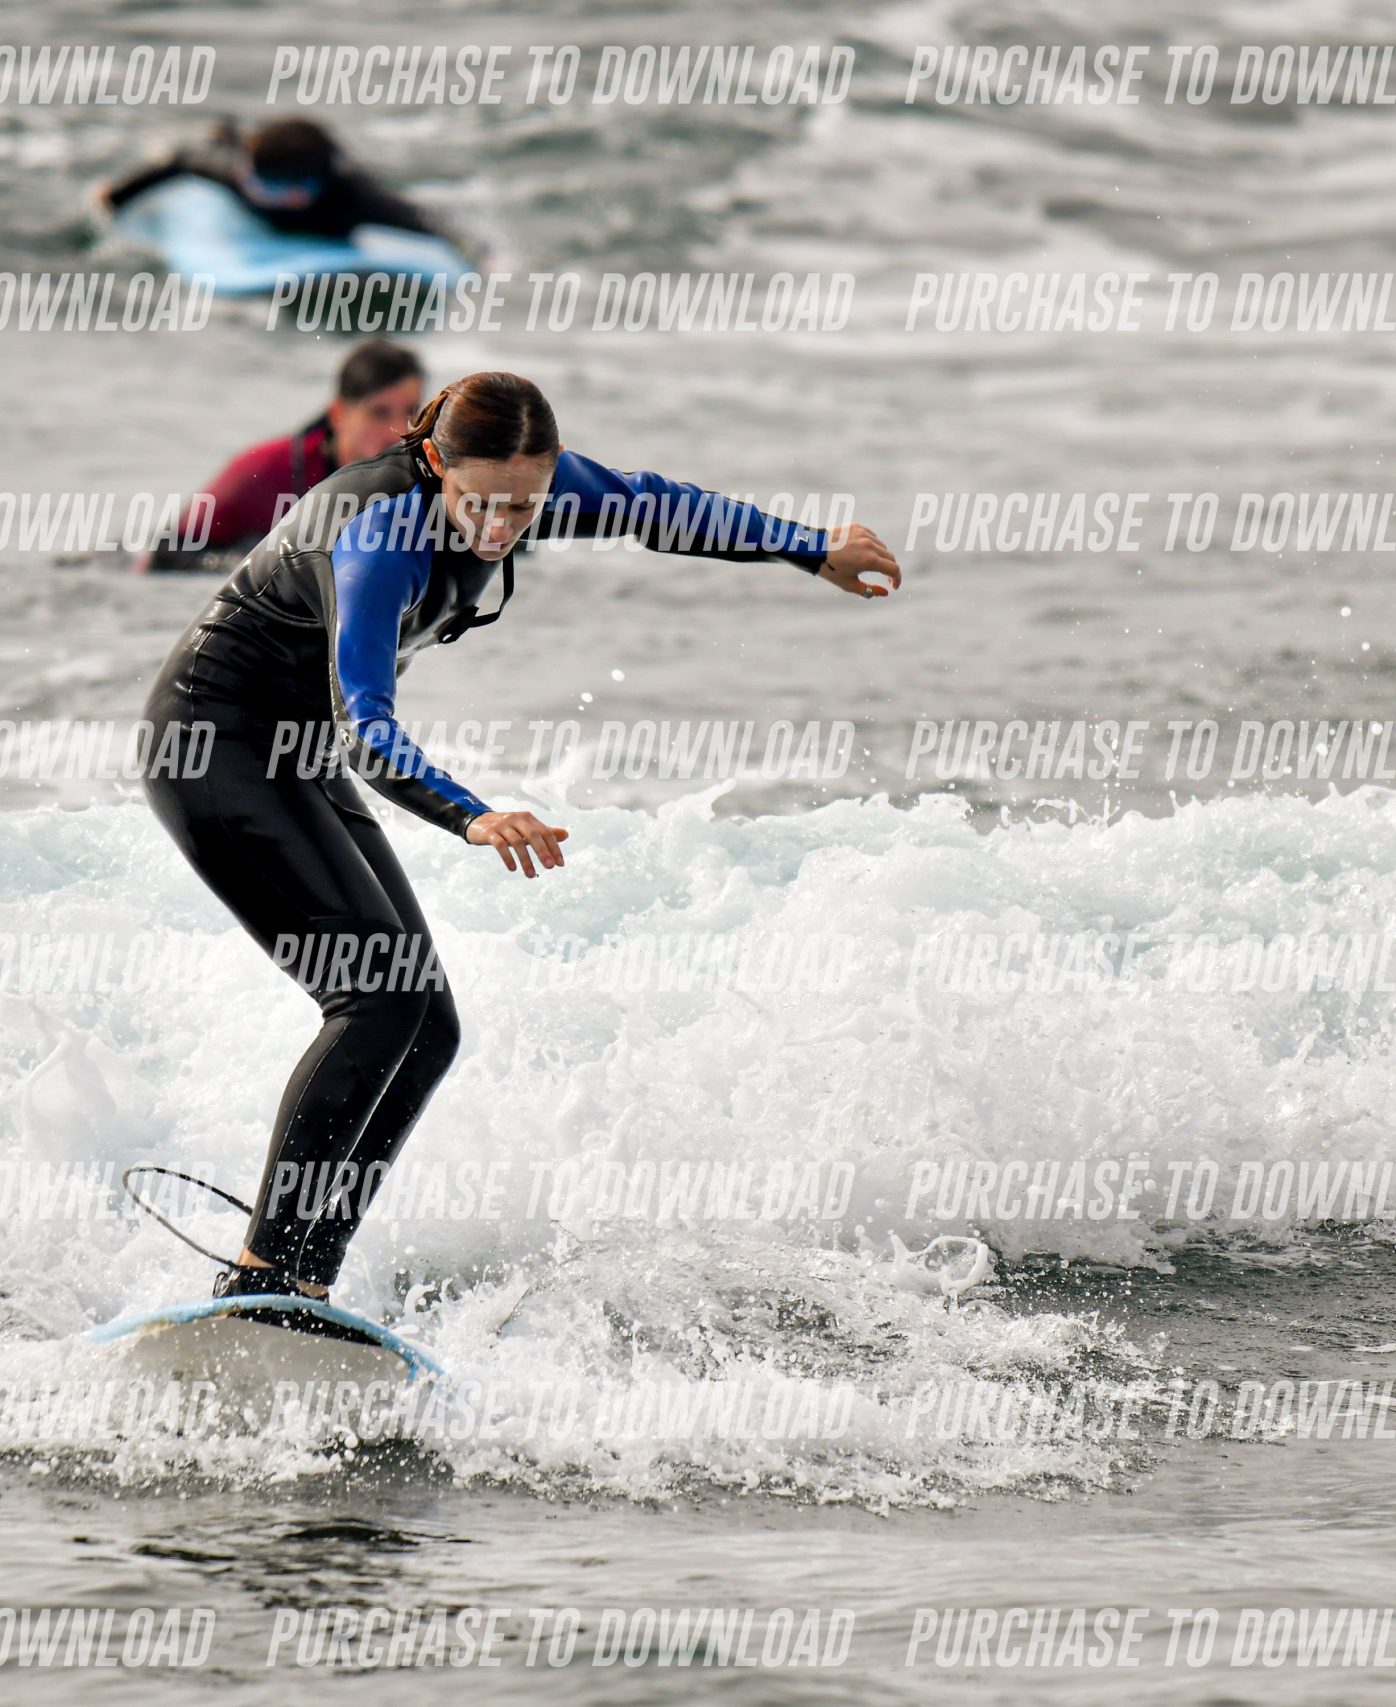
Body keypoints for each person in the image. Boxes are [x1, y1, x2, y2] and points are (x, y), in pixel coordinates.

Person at [137, 372, 902, 1304]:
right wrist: (471, 813)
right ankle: (259, 1275)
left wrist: (809, 547)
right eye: (482, 504)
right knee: (375, 1000)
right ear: (434, 461)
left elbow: (654, 504)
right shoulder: (377, 538)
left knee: (428, 1026)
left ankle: (307, 1282)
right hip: (210, 743)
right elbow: (366, 723)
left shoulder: (527, 483)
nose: (501, 527)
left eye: (525, 507)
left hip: (298, 751)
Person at [139, 340, 427, 574]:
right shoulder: (270, 468)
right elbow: (167, 553)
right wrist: (262, 571)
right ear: (339, 413)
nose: (399, 431)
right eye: (379, 413)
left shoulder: (425, 475)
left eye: (411, 412)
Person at [96, 116, 453, 243]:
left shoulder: (355, 201)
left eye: (256, 182)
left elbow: (427, 222)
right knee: (222, 145)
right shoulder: (233, 172)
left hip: (327, 182)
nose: (242, 179)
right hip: (269, 156)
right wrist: (115, 197)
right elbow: (179, 159)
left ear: (298, 196)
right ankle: (229, 133)